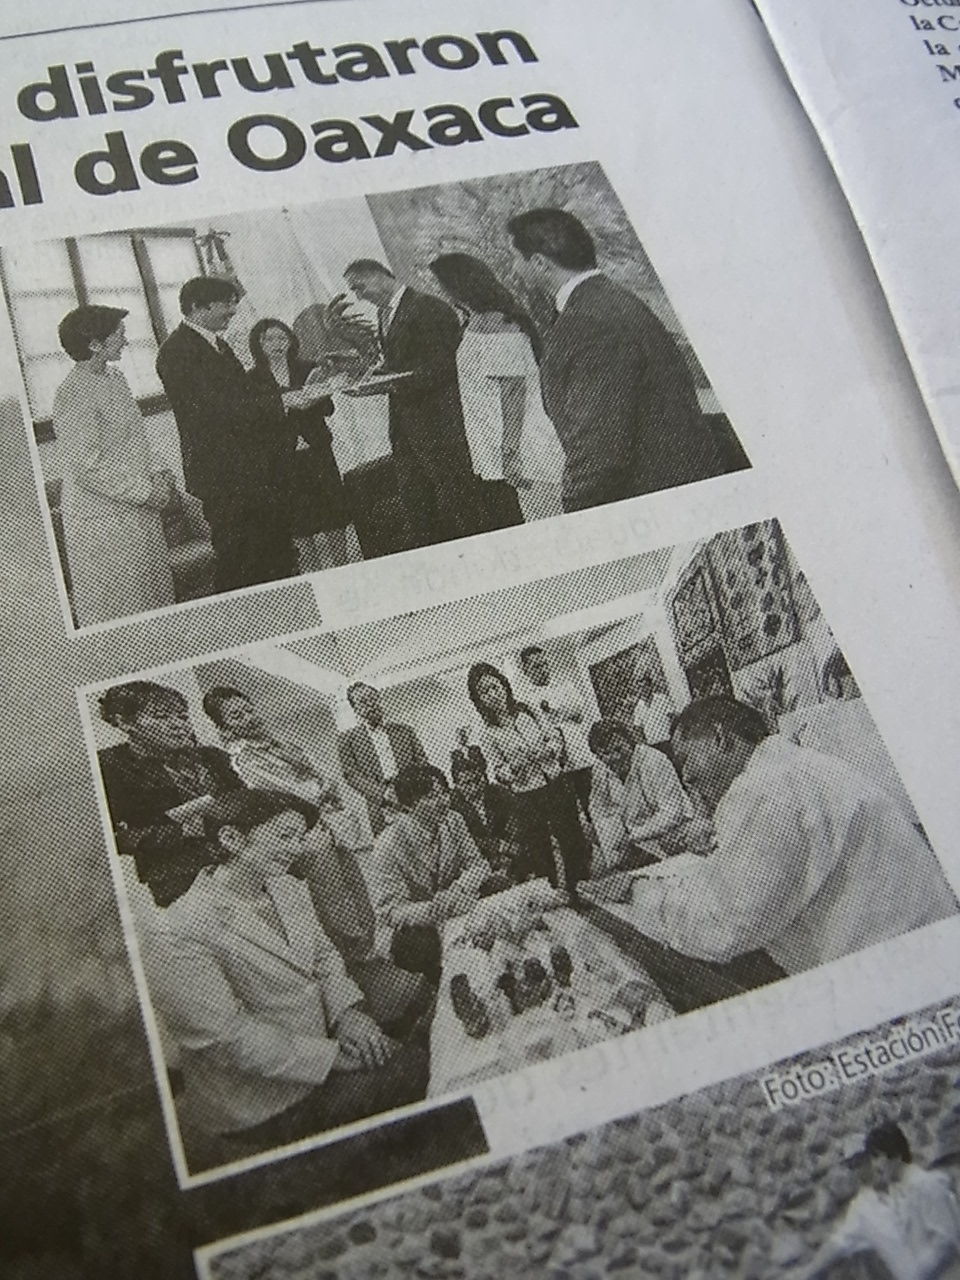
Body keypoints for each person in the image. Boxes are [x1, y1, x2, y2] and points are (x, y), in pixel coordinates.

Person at [141, 789, 427, 1149]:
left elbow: (324, 958)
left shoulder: (287, 887)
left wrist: (347, 1014)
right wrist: (330, 1058)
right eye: (285, 836)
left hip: (317, 1043)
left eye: (299, 837)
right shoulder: (178, 928)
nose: (297, 848)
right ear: (232, 839)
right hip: (261, 1101)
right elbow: (225, 1037)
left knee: (417, 1048)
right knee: (412, 1071)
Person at [603, 696, 956, 973]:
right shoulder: (794, 766)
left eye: (686, 760)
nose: (687, 778)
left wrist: (639, 892)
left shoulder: (763, 789)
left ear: (720, 739)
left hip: (901, 972)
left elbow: (723, 926)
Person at [506, 208, 723, 512]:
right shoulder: (610, 299)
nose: (514, 269)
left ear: (540, 263)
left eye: (516, 258)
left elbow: (600, 451)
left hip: (652, 502)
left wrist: (577, 513)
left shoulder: (587, 321)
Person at [155, 276, 295, 592]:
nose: (233, 311)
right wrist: (282, 403)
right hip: (220, 473)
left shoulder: (219, 344)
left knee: (272, 551)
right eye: (226, 304)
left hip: (249, 468)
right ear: (197, 307)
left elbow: (244, 393)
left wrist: (291, 394)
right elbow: (215, 410)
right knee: (240, 559)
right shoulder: (175, 352)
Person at [341, 258, 481, 548]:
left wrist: (391, 383)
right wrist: (366, 380)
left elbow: (445, 366)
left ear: (379, 276)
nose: (359, 296)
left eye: (359, 287)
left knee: (459, 506)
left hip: (439, 425)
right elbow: (400, 364)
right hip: (406, 430)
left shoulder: (427, 307)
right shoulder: (384, 314)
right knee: (419, 511)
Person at [52, 305, 175, 626]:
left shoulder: (115, 377)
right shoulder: (72, 392)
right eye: (119, 335)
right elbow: (86, 466)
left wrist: (160, 473)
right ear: (95, 344)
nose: (126, 341)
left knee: (156, 599)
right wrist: (145, 492)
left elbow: (136, 438)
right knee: (124, 607)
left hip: (136, 508)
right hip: (101, 518)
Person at [429, 252, 564, 524]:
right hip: (507, 443)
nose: (440, 291)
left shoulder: (497, 323)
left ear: (459, 285)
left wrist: (511, 452)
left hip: (526, 443)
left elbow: (513, 391)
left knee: (551, 520)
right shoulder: (477, 321)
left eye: (441, 284)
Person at [97, 680, 242, 907]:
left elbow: (248, 801)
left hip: (240, 859)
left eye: (182, 717)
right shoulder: (110, 765)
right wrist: (180, 832)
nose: (178, 725)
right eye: (162, 717)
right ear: (125, 722)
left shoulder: (212, 757)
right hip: (179, 879)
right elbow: (110, 837)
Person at [468, 661, 590, 892]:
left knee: (572, 839)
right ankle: (552, 893)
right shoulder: (487, 733)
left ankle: (581, 888)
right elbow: (498, 771)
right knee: (540, 849)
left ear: (504, 686)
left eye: (495, 687)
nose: (493, 695)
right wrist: (513, 768)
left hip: (556, 783)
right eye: (484, 692)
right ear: (479, 700)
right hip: (527, 795)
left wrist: (549, 750)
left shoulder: (528, 711)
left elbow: (555, 738)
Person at [247, 318, 353, 571]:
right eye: (269, 339)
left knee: (333, 514)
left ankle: (343, 567)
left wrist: (318, 392)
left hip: (318, 451)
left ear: (290, 340)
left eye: (282, 337)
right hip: (284, 458)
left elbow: (328, 409)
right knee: (298, 519)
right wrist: (289, 402)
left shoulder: (307, 368)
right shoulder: (252, 379)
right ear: (258, 344)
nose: (277, 344)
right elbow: (257, 422)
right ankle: (312, 573)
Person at [375, 764, 490, 986]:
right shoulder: (387, 845)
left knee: (497, 884)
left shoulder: (453, 820)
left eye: (444, 793)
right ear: (408, 805)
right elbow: (391, 911)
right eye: (430, 797)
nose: (443, 801)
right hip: (422, 922)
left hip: (459, 901)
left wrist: (458, 889)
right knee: (417, 944)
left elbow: (479, 864)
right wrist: (438, 907)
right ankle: (435, 986)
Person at [800, 1123, 960, 1279]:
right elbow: (839, 1242)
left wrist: (918, 1273)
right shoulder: (878, 1200)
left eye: (875, 1157)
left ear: (896, 1157)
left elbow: (946, 1240)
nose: (873, 1166)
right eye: (853, 1166)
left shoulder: (927, 1185)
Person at [586, 719, 698, 864]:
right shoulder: (600, 770)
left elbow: (672, 813)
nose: (615, 757)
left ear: (631, 744)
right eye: (606, 753)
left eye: (619, 749)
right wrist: (613, 848)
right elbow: (600, 812)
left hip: (677, 831)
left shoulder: (654, 760)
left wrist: (632, 836)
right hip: (639, 842)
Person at [337, 682, 428, 835]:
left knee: (423, 838)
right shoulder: (347, 740)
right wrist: (383, 794)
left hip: (413, 797)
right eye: (363, 702)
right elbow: (351, 775)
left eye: (373, 698)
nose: (371, 705)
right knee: (391, 845)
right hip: (380, 804)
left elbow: (422, 763)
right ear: (355, 709)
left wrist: (411, 788)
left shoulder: (405, 731)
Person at [515, 644, 594, 815]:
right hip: (555, 766)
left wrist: (552, 716)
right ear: (526, 670)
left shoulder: (565, 686)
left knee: (592, 805)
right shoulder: (525, 699)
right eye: (536, 666)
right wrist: (562, 714)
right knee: (568, 812)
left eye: (545, 664)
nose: (543, 670)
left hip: (579, 754)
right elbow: (536, 730)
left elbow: (579, 714)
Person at [449, 754, 521, 879]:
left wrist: (511, 846)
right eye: (467, 783)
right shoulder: (453, 806)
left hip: (512, 853)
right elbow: (465, 839)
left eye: (477, 780)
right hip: (480, 861)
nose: (474, 787)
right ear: (457, 785)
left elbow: (517, 820)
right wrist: (496, 846)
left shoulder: (499, 793)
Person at [631, 673, 677, 754]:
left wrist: (674, 737)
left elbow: (673, 718)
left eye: (645, 686)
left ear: (651, 686)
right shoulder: (638, 708)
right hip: (653, 746)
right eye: (640, 687)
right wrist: (645, 746)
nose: (643, 690)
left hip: (667, 741)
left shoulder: (662, 699)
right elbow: (638, 729)